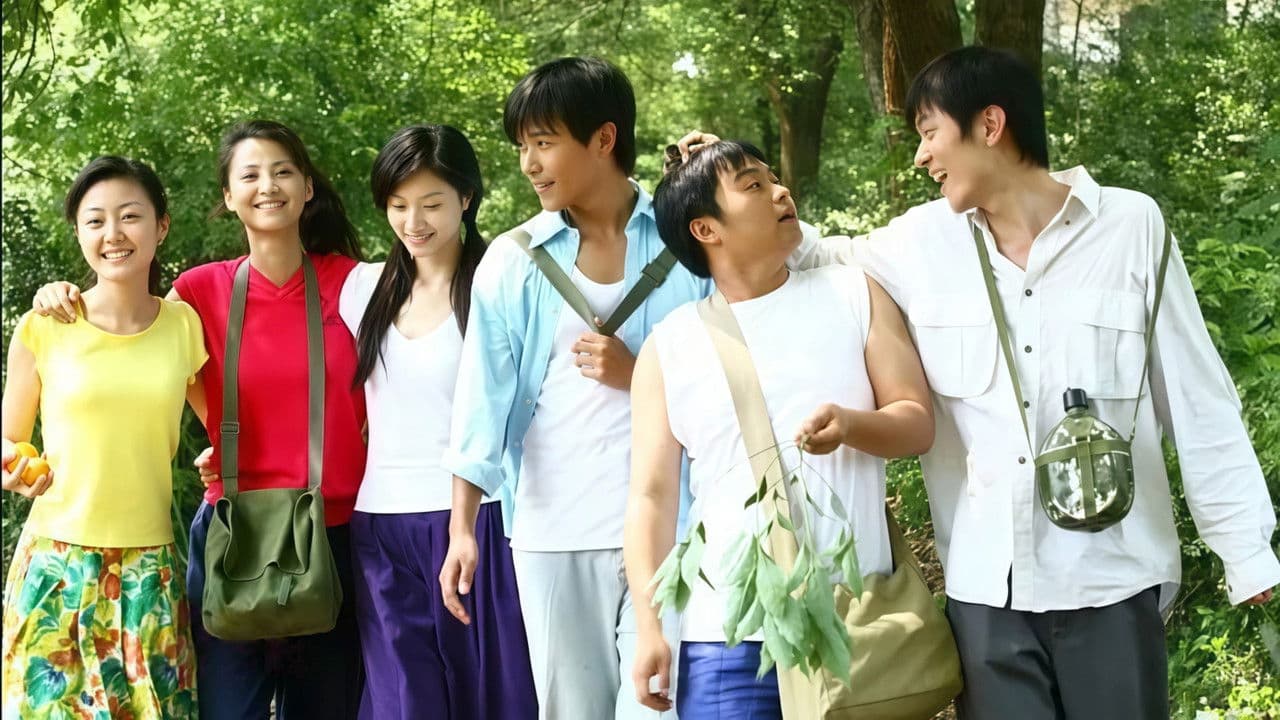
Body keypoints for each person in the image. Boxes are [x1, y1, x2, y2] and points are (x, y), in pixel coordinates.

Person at [682, 45, 1279, 720]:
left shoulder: (1131, 226)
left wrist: (1245, 551)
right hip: (988, 592)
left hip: (1114, 579)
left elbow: (1197, 398)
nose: (921, 156)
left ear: (989, 125)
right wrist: (723, 181)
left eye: (929, 133)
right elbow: (813, 257)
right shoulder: (920, 242)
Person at [33, 120, 369, 720]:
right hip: (232, 535)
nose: (268, 186)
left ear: (308, 187)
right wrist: (63, 298)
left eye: (283, 171)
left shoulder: (354, 283)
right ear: (229, 196)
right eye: (250, 175)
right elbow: (131, 350)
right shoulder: (198, 292)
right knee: (225, 710)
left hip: (333, 533)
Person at [437, 56, 709, 719]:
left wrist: (638, 373)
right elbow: (482, 399)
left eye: (543, 142)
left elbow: (731, 375)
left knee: (660, 708)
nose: (529, 164)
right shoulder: (513, 260)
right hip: (553, 531)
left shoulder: (688, 242)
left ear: (604, 139)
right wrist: (462, 528)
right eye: (522, 146)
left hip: (678, 526)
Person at [624, 141, 933, 718]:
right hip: (728, 636)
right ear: (705, 229)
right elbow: (651, 498)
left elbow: (915, 422)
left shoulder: (853, 293)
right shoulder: (670, 347)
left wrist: (852, 426)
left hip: (855, 621)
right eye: (753, 186)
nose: (781, 191)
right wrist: (649, 628)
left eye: (773, 178)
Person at [336, 124, 536, 719]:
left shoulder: (499, 284)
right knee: (404, 701)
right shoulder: (361, 288)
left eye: (431, 203)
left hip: (479, 521)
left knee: (491, 696)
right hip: (380, 526)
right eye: (398, 205)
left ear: (466, 198)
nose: (413, 221)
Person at [3, 156, 206, 718]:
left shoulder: (183, 326)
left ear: (161, 226)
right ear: (79, 233)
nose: (113, 233)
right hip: (55, 564)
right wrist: (14, 469)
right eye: (95, 220)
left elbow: (225, 428)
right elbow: (8, 439)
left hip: (149, 571)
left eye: (130, 216)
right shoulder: (44, 326)